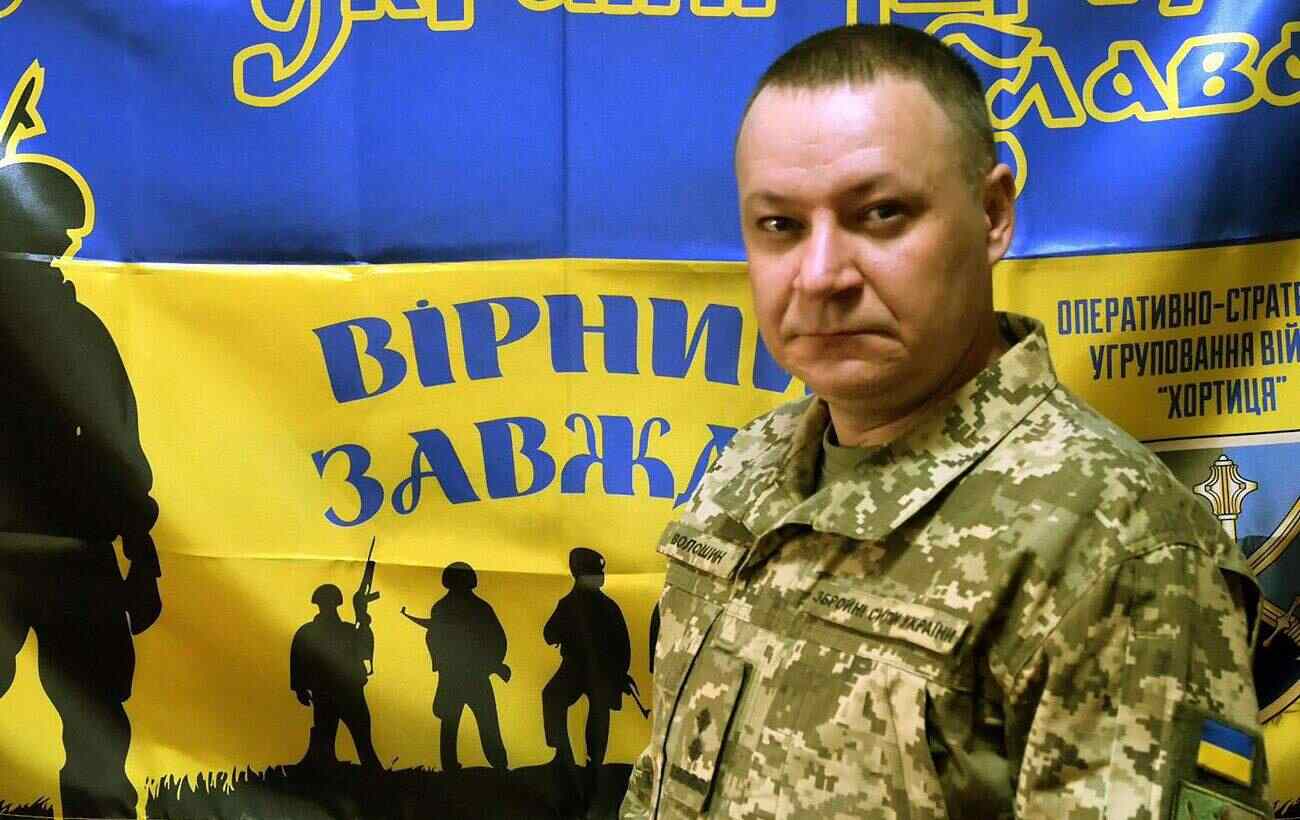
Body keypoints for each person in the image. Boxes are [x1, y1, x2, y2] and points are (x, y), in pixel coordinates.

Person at [621, 23, 1269, 820]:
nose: (819, 276)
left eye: (880, 213)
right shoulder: (748, 469)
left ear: (993, 214)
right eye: (780, 226)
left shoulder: (1119, 551)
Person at [0, 66, 163, 820]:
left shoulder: (80, 333)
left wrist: (139, 546)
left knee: (95, 722)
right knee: (95, 726)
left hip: (72, 557)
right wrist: (140, 546)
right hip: (69, 557)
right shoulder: (79, 331)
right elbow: (119, 451)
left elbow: (118, 448)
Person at [400, 561, 511, 771]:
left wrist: (491, 664)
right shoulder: (478, 607)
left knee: (457, 723)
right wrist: (492, 664)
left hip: (461, 676)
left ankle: (469, 765)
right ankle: (497, 764)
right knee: (477, 722)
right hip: (468, 676)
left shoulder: (444, 608)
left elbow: (435, 640)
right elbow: (497, 638)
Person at [543, 548, 632, 785]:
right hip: (577, 668)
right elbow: (549, 633)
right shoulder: (574, 604)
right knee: (552, 697)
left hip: (600, 671)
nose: (601, 576)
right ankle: (564, 753)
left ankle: (589, 760)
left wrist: (619, 675)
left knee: (596, 713)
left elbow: (622, 645)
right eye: (596, 572)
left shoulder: (604, 606)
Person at [290, 583, 382, 770]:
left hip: (347, 692)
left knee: (363, 740)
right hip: (328, 693)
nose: (328, 606)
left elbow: (365, 651)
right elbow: (298, 659)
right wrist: (299, 688)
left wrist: (363, 620)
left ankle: (374, 774)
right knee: (328, 740)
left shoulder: (347, 630)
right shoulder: (310, 632)